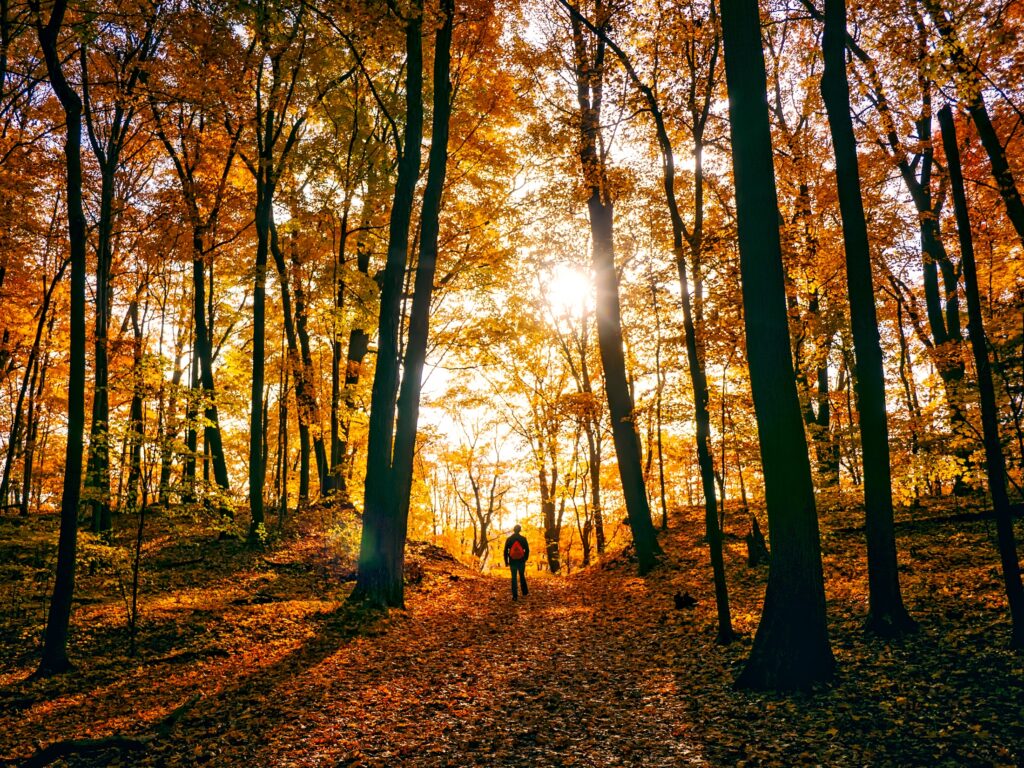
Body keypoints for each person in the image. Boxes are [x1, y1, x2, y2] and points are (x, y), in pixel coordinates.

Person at [503, 524, 530, 600]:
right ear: (520, 530)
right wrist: (525, 559)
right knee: (522, 575)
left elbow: (505, 551)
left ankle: (515, 596)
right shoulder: (523, 539)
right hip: (521, 560)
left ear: (513, 530)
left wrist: (506, 561)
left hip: (512, 561)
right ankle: (524, 592)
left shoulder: (509, 539)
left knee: (514, 578)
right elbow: (527, 550)